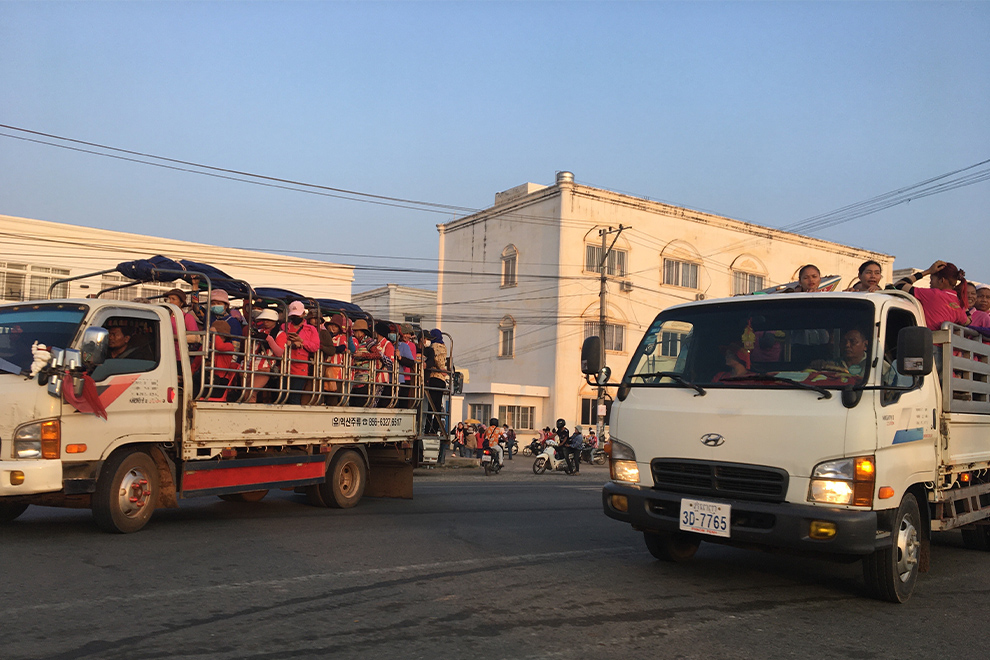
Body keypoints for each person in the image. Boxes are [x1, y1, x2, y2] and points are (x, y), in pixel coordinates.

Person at [268, 300, 319, 404]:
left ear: (303, 314)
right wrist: (289, 343)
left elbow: (315, 347)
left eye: (297, 315)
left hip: (301, 367)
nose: (295, 318)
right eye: (293, 316)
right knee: (281, 396)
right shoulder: (284, 326)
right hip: (284, 365)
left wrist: (302, 342)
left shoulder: (311, 329)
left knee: (294, 397)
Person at [894, 260, 970, 331]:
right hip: (946, 344)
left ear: (941, 280)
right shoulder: (958, 302)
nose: (930, 283)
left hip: (927, 343)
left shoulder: (933, 294)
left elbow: (899, 285)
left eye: (931, 279)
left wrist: (927, 271)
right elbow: (968, 320)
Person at [246, 309, 278, 403]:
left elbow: (280, 352)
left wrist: (268, 339)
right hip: (250, 365)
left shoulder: (280, 334)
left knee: (251, 392)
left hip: (265, 367)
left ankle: (249, 415)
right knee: (246, 393)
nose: (266, 321)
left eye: (269, 319)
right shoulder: (257, 331)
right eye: (264, 319)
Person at [423, 329, 449, 434]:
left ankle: (427, 429)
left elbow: (435, 359)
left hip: (434, 377)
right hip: (441, 380)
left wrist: (440, 368)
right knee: (438, 406)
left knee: (430, 406)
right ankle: (435, 428)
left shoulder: (434, 347)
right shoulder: (444, 347)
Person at [350, 319, 379, 406]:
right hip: (356, 378)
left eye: (355, 331)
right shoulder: (356, 342)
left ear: (360, 332)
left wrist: (362, 355)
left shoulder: (368, 341)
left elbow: (377, 354)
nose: (354, 333)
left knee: (360, 403)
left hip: (365, 379)